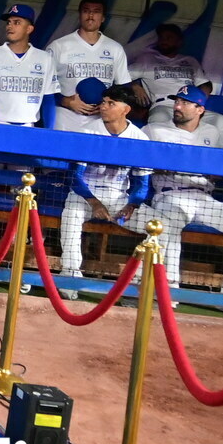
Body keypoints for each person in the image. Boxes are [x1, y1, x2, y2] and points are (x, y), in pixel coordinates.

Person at [142, 87, 223, 302]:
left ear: (200, 109)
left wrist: (214, 173)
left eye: (184, 103)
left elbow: (213, 168)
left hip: (204, 198)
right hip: (170, 195)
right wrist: (158, 166)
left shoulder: (211, 132)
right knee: (169, 228)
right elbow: (139, 163)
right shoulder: (153, 130)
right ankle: (167, 292)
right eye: (177, 101)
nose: (177, 107)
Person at [54, 84, 153, 290]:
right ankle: (70, 278)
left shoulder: (140, 139)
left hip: (119, 198)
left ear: (125, 110)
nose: (104, 107)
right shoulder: (88, 131)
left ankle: (141, 285)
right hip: (85, 195)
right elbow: (74, 176)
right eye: (103, 102)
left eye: (111, 103)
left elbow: (142, 182)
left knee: (163, 228)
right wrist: (94, 202)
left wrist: (132, 205)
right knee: (71, 216)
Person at [48, 0, 130, 133]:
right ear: (79, 15)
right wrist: (66, 101)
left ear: (103, 18)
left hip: (101, 118)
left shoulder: (115, 48)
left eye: (96, 11)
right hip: (66, 116)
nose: (91, 15)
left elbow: (123, 87)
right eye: (86, 11)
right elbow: (44, 87)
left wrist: (109, 104)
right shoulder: (59, 46)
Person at [0, 4, 59, 127]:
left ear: (29, 29)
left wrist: (49, 131)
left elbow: (48, 99)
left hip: (29, 126)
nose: (10, 26)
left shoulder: (45, 59)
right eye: (8, 22)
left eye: (17, 22)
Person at [130, 22, 211, 127]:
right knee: (158, 122)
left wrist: (198, 101)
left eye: (169, 38)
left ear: (179, 42)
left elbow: (205, 84)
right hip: (163, 104)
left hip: (189, 105)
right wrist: (135, 86)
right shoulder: (147, 59)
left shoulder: (190, 61)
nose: (164, 41)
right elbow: (121, 75)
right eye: (162, 38)